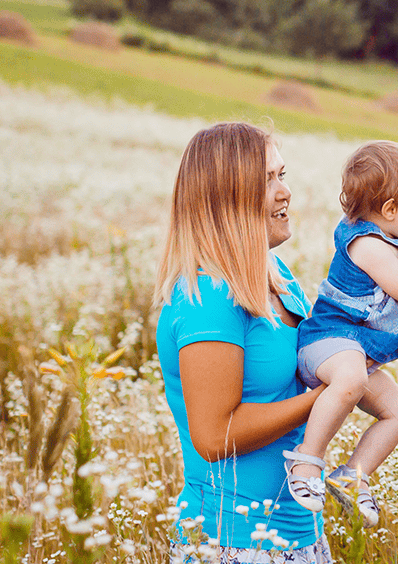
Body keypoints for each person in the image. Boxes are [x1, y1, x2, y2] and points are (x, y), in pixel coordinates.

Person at [155, 122, 331, 562]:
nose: (284, 192)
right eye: (265, 180)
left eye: (282, 175)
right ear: (226, 198)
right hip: (231, 543)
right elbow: (215, 437)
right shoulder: (209, 298)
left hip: (299, 533)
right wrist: (328, 396)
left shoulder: (279, 275)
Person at [285, 141, 398, 527]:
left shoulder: (387, 242)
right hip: (326, 341)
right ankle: (306, 463)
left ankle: (353, 476)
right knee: (352, 377)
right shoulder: (366, 244)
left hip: (352, 350)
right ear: (389, 210)